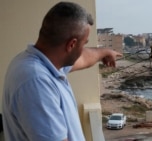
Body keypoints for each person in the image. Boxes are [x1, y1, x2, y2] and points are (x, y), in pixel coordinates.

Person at [2, 2, 122, 141]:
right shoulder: (37, 81)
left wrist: (105, 52)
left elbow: (83, 58)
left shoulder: (39, 62)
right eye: (84, 43)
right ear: (71, 44)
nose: (83, 48)